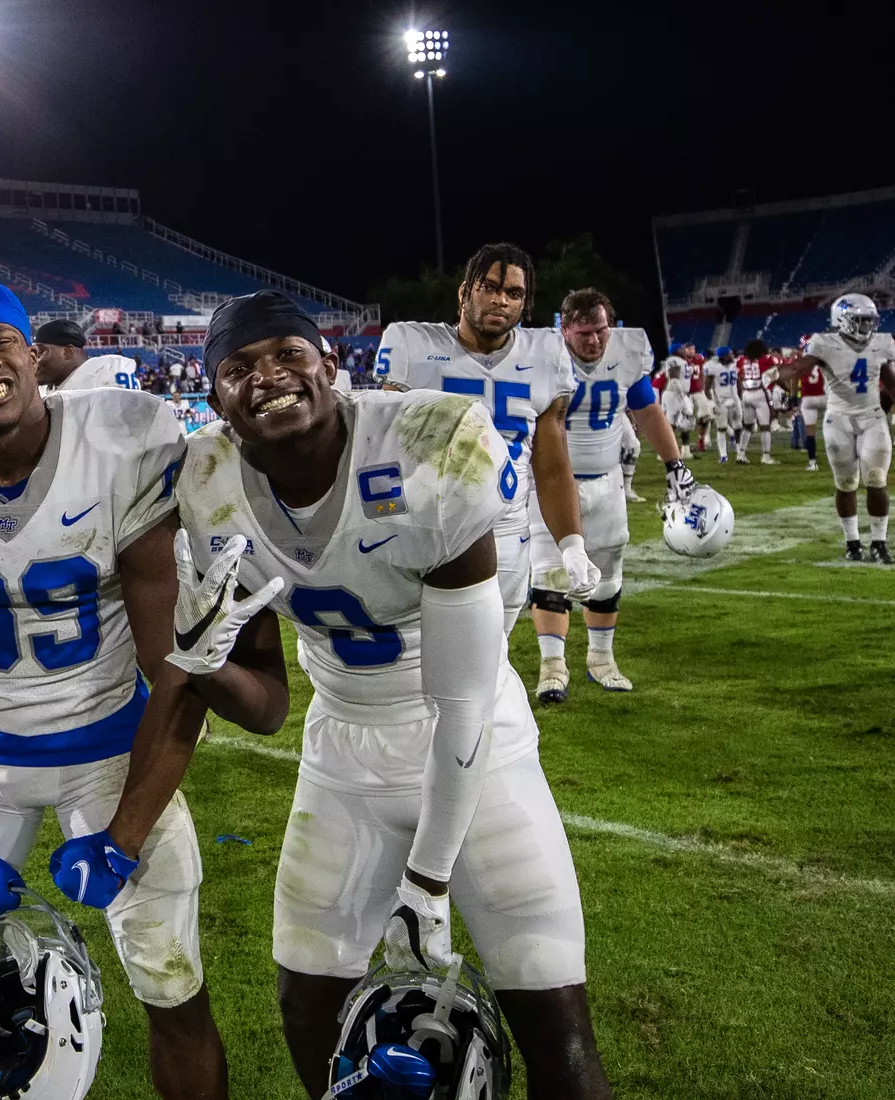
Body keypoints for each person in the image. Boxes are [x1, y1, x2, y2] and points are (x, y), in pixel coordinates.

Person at [127, 288, 610, 1100]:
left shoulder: (430, 445)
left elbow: (458, 703)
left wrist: (426, 882)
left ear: (330, 365)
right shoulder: (208, 483)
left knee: (555, 1027)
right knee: (309, 1009)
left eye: (288, 353)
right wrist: (201, 660)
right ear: (215, 398)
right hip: (341, 750)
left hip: (474, 745)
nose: (268, 376)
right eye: (239, 367)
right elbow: (271, 707)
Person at [0, 281, 229, 1100]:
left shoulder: (118, 443)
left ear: (34, 354)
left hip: (109, 753)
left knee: (171, 980)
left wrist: (125, 834)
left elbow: (175, 667)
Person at [374, 242, 599, 630]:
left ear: (525, 303)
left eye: (513, 293)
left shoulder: (545, 354)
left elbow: (551, 467)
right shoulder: (412, 345)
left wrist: (573, 545)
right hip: (429, 527)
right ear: (464, 292)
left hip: (508, 532)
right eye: (489, 287)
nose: (500, 300)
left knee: (489, 663)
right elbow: (379, 451)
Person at [529, 289, 696, 701]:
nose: (594, 341)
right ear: (563, 329)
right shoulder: (540, 354)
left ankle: (601, 660)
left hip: (607, 482)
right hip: (551, 482)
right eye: (583, 332)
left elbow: (646, 410)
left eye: (600, 330)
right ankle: (553, 668)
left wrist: (674, 463)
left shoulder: (627, 350)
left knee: (607, 577)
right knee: (551, 575)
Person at [774, 294, 895, 562]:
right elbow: (798, 368)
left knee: (876, 479)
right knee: (847, 483)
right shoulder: (824, 343)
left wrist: (881, 414)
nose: (867, 327)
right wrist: (778, 376)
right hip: (838, 418)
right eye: (860, 320)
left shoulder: (882, 343)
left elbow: (891, 385)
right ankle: (853, 543)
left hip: (871, 416)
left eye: (869, 321)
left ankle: (879, 543)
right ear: (843, 320)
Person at [32, 319, 141, 391]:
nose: (33, 359)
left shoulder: (106, 372)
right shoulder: (44, 388)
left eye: (41, 351)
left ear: (68, 352)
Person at [734, 339, 779, 465]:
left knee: (748, 426)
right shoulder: (765, 360)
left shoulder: (741, 360)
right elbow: (776, 372)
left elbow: (739, 378)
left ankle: (741, 454)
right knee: (765, 426)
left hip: (745, 393)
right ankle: (766, 457)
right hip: (759, 393)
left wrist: (740, 393)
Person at [703, 346, 741, 462]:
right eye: (730, 354)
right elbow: (707, 388)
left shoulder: (735, 365)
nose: (733, 355)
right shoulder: (713, 367)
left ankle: (740, 453)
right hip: (721, 401)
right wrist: (712, 404)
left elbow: (738, 382)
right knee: (722, 428)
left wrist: (741, 396)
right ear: (724, 356)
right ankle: (723, 455)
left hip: (735, 399)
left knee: (738, 427)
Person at [798, 353, 827, 471]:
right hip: (824, 397)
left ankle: (812, 462)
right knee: (835, 428)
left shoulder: (801, 362)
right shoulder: (823, 361)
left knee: (810, 432)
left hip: (807, 399)